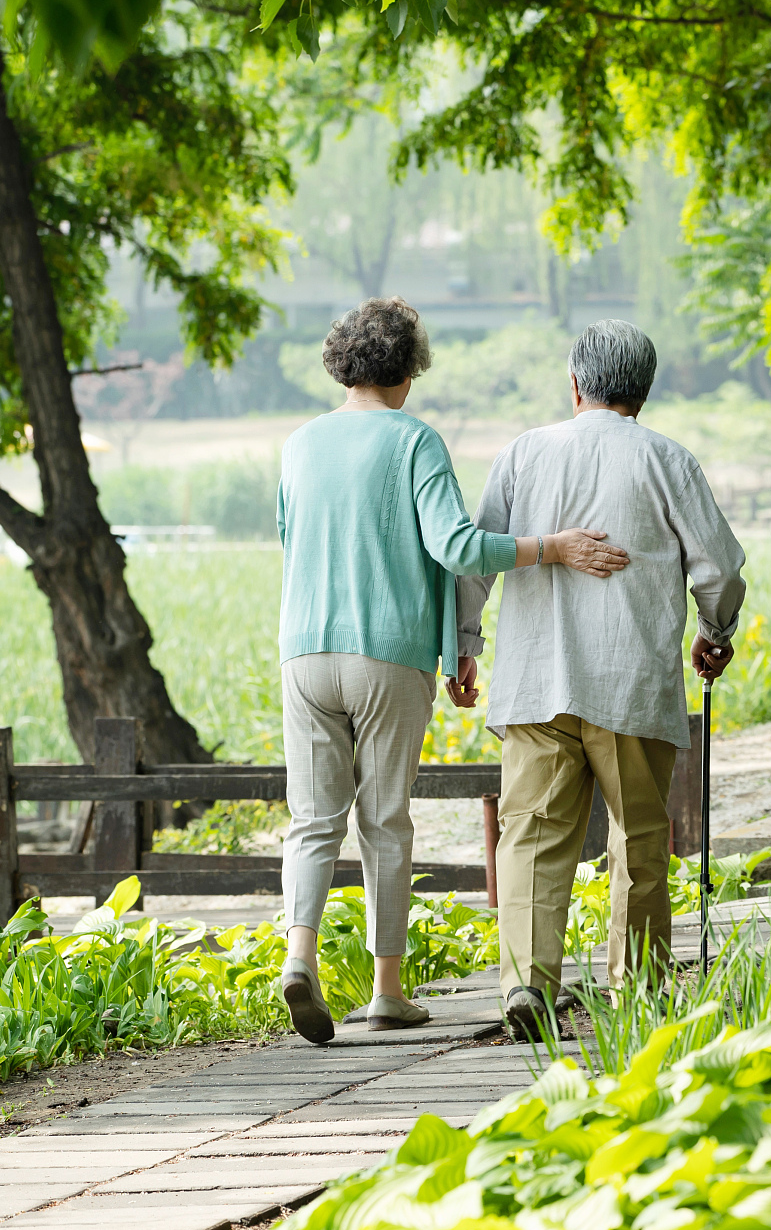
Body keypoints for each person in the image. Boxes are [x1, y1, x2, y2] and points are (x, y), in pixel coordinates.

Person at [275, 297, 628, 1045]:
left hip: (303, 651)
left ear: (343, 362)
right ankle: (387, 989)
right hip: (387, 655)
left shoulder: (299, 444)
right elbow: (460, 548)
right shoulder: (414, 441)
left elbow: (291, 538)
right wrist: (550, 547)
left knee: (313, 819)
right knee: (384, 820)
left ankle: (298, 957)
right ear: (407, 369)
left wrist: (452, 640)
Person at [457, 318, 745, 1040]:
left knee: (529, 836)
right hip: (629, 682)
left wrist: (464, 643)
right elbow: (720, 568)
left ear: (575, 382)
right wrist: (715, 632)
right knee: (640, 838)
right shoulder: (667, 460)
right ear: (642, 392)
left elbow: (478, 558)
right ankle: (638, 988)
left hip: (534, 680)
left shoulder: (524, 453)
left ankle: (528, 984)